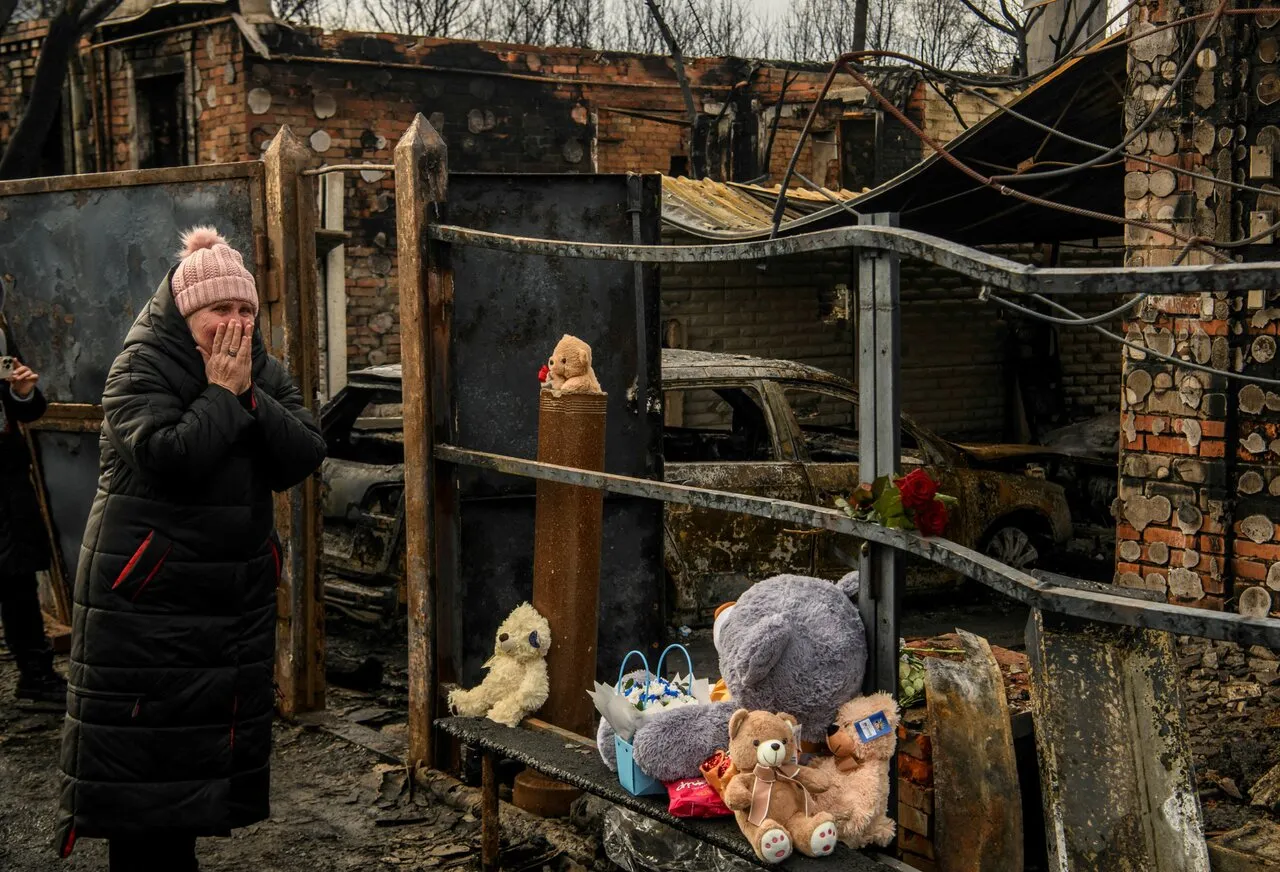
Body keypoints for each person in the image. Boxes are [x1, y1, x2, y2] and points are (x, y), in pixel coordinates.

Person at [56, 227, 327, 871]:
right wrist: (222, 395)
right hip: (146, 601)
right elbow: (169, 457)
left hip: (225, 602)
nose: (235, 323)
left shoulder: (259, 368)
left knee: (193, 759)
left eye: (244, 310)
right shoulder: (140, 367)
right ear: (186, 312)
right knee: (141, 770)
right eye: (219, 310)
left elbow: (303, 453)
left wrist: (249, 395)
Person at [0, 311, 66, 705]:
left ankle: (35, 676)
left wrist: (22, 392)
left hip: (7, 478)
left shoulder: (0, 333)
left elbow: (25, 409)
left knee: (18, 578)